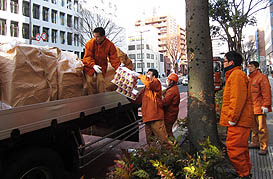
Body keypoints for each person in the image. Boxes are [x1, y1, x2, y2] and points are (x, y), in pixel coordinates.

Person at [220, 51, 254, 178]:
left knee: (235, 149)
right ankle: (245, 172)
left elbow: (237, 99)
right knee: (241, 149)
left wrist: (232, 119)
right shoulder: (236, 74)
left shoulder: (236, 75)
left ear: (231, 62)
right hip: (241, 120)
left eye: (225, 61)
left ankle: (244, 174)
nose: (223, 64)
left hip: (238, 121)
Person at [134, 69, 174, 148]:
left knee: (163, 140)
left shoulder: (156, 82)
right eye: (147, 73)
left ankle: (171, 155)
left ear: (154, 76)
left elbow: (149, 82)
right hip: (148, 117)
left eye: (149, 73)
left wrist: (139, 75)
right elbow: (137, 100)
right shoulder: (145, 89)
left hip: (155, 117)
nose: (147, 75)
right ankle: (154, 156)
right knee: (150, 141)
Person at [82, 27, 121, 94]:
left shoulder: (109, 45)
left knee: (101, 81)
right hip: (89, 66)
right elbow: (87, 57)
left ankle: (101, 98)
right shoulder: (90, 43)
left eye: (97, 37)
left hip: (101, 66)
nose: (95, 38)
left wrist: (119, 68)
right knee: (89, 81)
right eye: (94, 36)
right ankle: (91, 99)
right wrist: (93, 65)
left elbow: (114, 58)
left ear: (103, 37)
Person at [248, 61, 272, 155]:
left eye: (251, 66)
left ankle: (263, 147)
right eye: (248, 66)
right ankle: (255, 142)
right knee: (254, 127)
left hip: (260, 107)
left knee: (262, 128)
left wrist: (266, 105)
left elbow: (266, 93)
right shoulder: (250, 78)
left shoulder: (261, 77)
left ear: (256, 67)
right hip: (252, 107)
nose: (249, 68)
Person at [162, 73, 180, 138]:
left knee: (168, 132)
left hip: (169, 114)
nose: (167, 81)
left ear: (172, 81)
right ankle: (173, 145)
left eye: (168, 79)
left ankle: (173, 145)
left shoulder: (171, 91)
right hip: (172, 113)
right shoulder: (174, 88)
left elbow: (165, 102)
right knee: (168, 131)